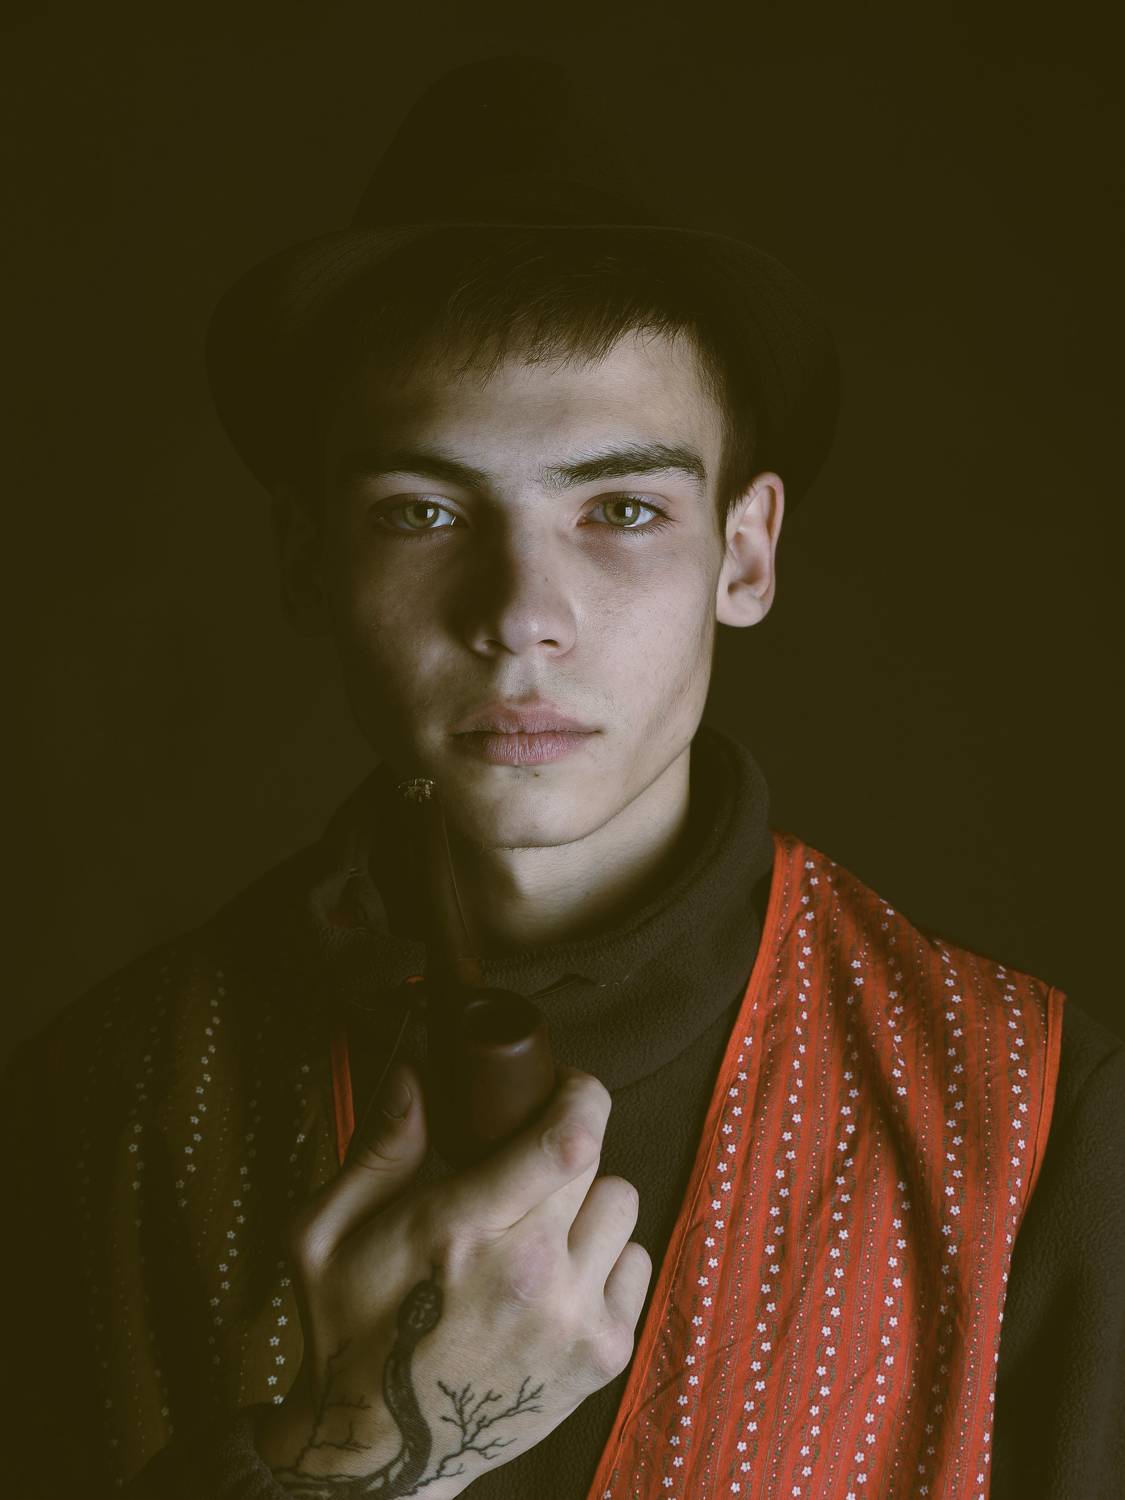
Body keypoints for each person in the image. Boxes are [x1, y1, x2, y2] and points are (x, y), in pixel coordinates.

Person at [6, 53, 1123, 1500]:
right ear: (306, 560)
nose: (520, 614)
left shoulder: (1031, 1120)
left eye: (622, 509)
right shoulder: (101, 1107)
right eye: (423, 512)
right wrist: (368, 1458)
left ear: (744, 553)